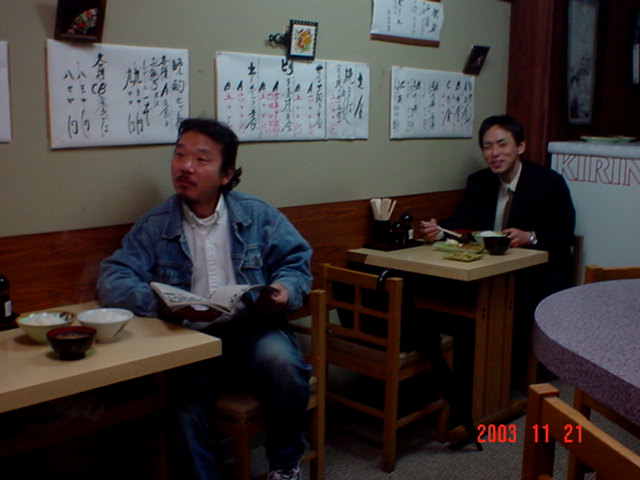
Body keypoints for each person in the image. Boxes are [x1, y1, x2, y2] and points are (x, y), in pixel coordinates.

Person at [97, 118, 313, 480]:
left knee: (284, 365)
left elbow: (297, 262)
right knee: (183, 405)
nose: (185, 167)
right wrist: (160, 302)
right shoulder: (156, 224)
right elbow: (113, 277)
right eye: (179, 155)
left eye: (201, 159)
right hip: (190, 339)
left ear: (226, 174)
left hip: (252, 328)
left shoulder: (257, 214)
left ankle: (284, 466)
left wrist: (284, 290)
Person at [415, 114, 576, 430]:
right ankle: (463, 391)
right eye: (487, 147)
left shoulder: (548, 182)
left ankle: (483, 394)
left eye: (502, 144)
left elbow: (564, 234)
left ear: (521, 146)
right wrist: (439, 230)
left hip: (535, 276)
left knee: (485, 311)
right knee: (441, 304)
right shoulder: (479, 181)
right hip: (486, 273)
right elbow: (461, 222)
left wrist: (530, 236)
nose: (494, 153)